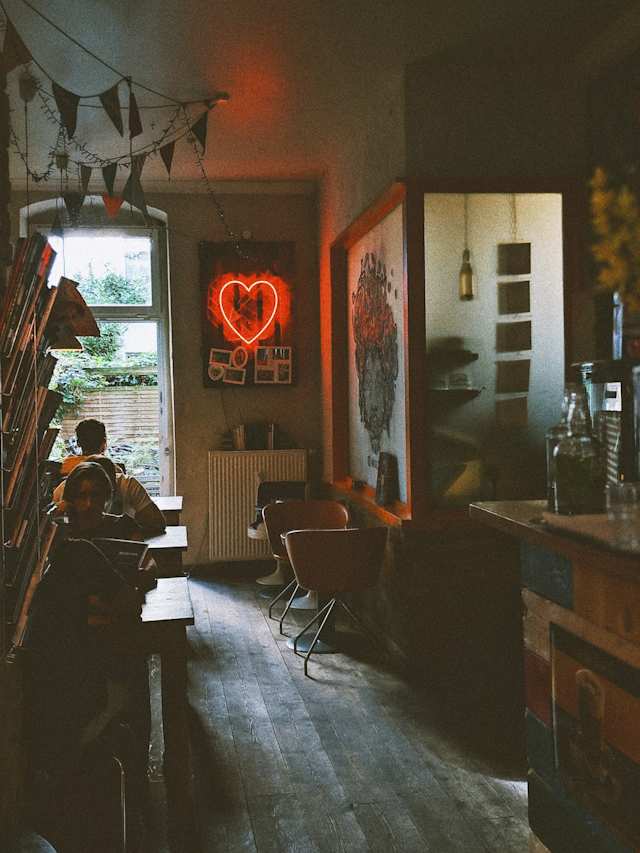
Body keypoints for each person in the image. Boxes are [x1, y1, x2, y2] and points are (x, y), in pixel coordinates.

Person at [56, 422, 166, 534]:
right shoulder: (122, 479)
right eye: (82, 495)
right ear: (104, 442)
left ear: (78, 443)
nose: (89, 503)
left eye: (96, 495)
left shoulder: (63, 472)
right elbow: (156, 523)